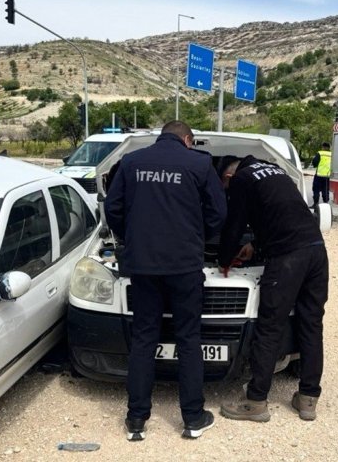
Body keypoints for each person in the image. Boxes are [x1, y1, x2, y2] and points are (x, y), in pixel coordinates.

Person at [104, 121, 226, 441]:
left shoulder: (131, 162)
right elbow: (218, 212)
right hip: (184, 265)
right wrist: (201, 238)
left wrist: (130, 238)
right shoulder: (200, 163)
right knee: (188, 339)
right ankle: (193, 418)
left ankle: (136, 420)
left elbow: (112, 208)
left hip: (142, 266)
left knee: (144, 338)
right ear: (187, 140)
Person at [217, 155, 329, 423]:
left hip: (288, 258)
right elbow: (282, 214)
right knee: (311, 324)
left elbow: (234, 225)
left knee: (269, 327)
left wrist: (224, 260)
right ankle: (308, 399)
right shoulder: (275, 171)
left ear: (229, 178)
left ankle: (255, 402)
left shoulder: (242, 179)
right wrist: (256, 245)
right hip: (316, 251)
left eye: (224, 186)